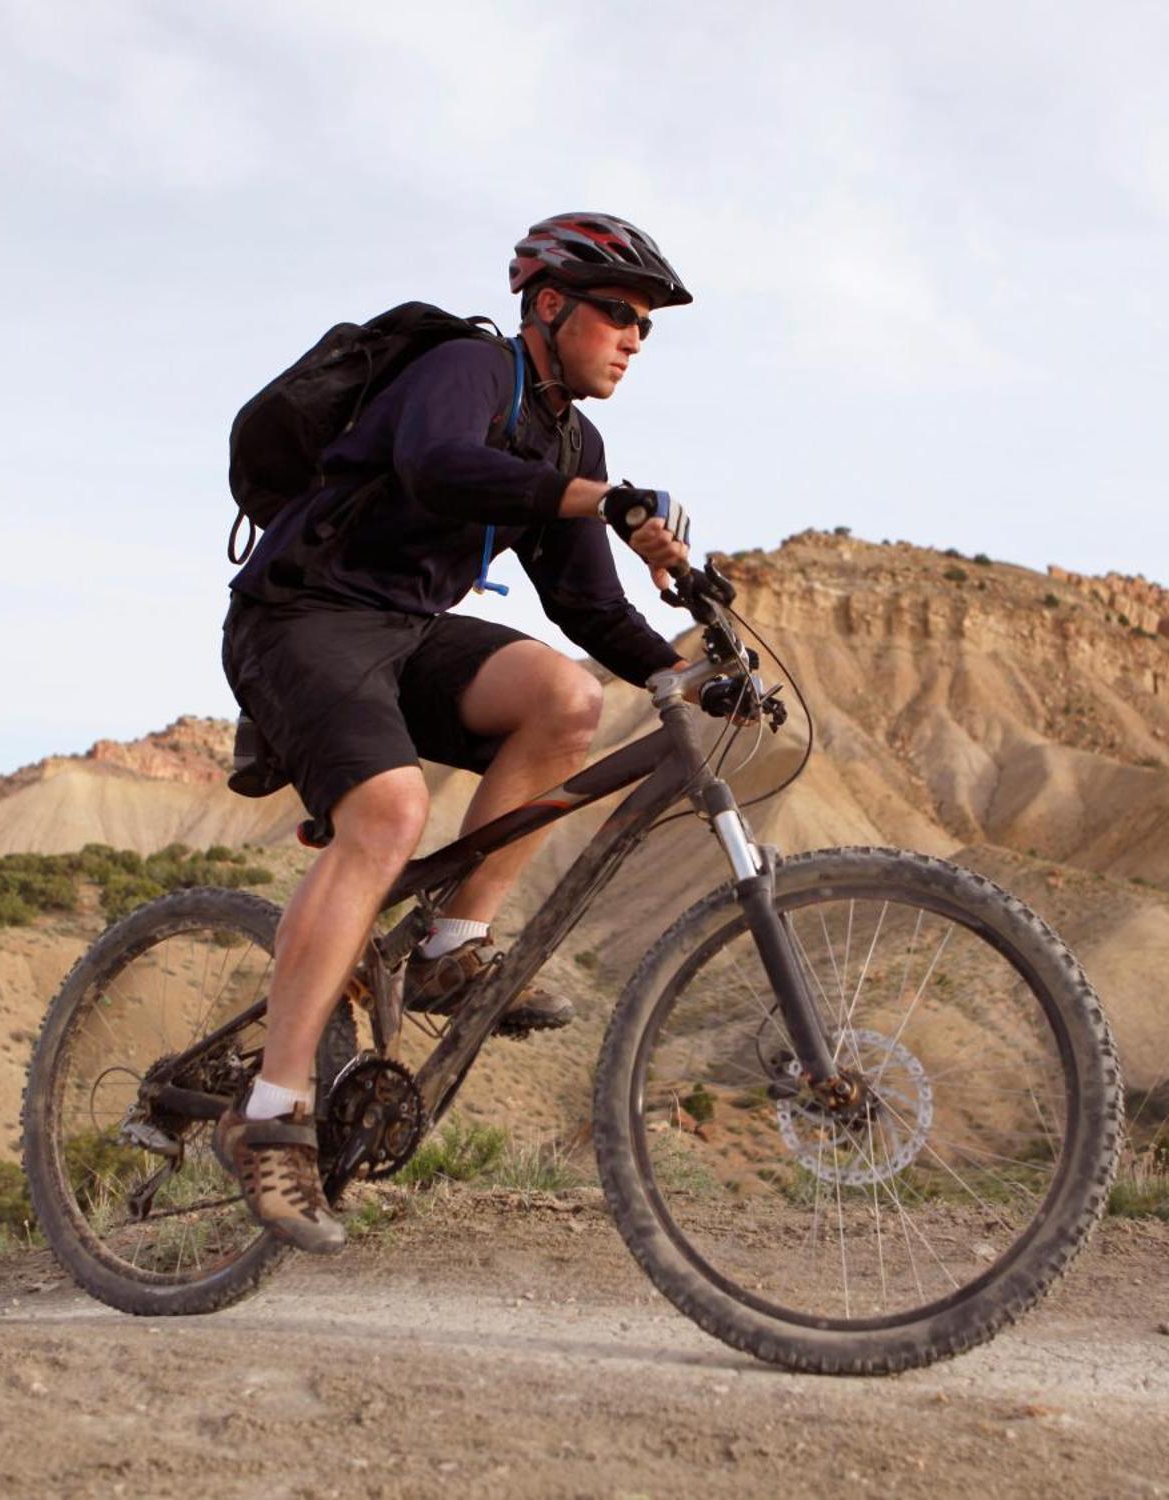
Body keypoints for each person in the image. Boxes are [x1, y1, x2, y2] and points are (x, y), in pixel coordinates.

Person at [213, 213, 693, 1251]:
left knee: (567, 697)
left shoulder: (573, 439)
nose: (632, 340)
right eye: (617, 315)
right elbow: (437, 466)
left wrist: (678, 671)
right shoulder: (467, 367)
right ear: (549, 305)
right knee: (390, 812)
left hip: (404, 633)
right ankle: (269, 1117)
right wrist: (603, 501)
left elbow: (584, 606)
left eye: (645, 329)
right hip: (300, 617)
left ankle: (449, 945)